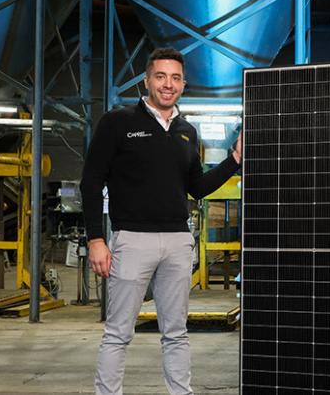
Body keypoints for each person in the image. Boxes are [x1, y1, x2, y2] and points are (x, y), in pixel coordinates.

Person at [81, 47, 242, 395]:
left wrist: (235, 159)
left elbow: (197, 187)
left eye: (175, 78)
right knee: (118, 332)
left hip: (177, 242)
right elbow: (91, 181)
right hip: (132, 239)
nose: (167, 85)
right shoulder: (118, 122)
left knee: (176, 332)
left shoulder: (187, 132)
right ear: (147, 79)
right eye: (160, 76)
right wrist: (96, 238)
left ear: (183, 84)